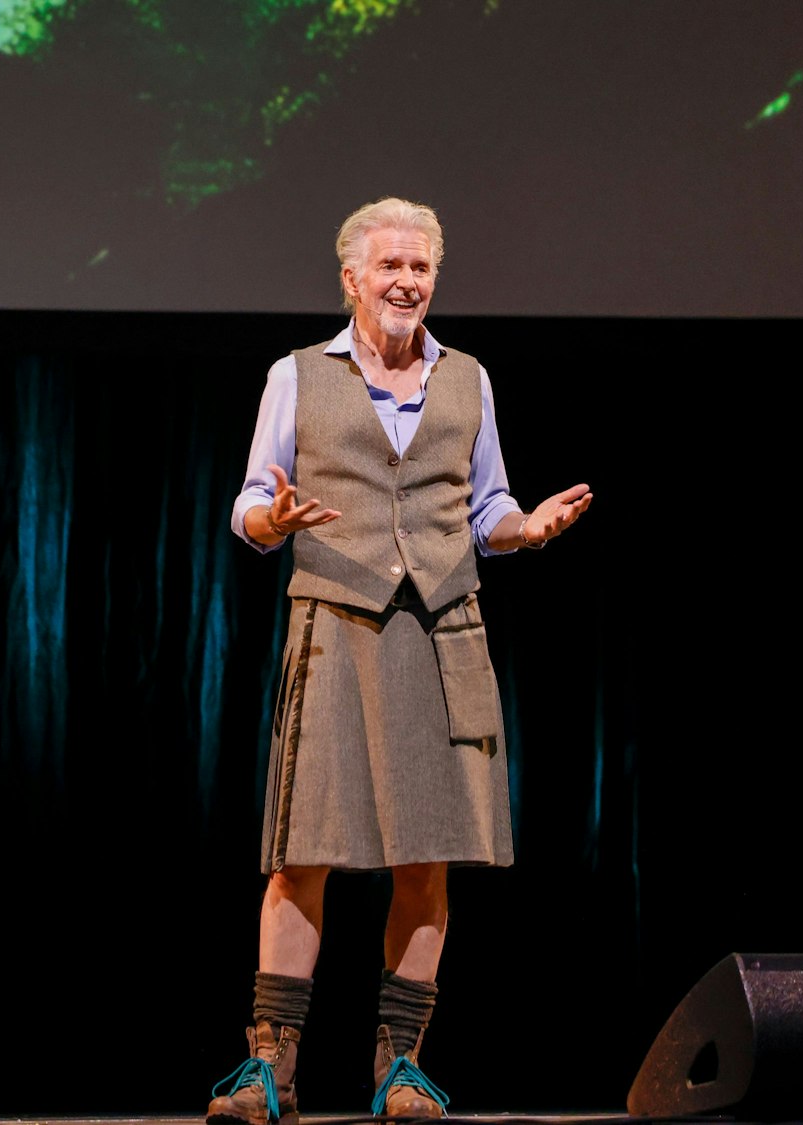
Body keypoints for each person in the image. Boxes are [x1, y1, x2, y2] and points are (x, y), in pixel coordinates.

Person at [206, 197, 593, 1125]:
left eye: (421, 268)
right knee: (304, 855)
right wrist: (275, 520)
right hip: (335, 627)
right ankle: (272, 1067)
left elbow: (487, 505)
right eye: (391, 267)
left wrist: (524, 530)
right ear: (352, 278)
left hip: (441, 630)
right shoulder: (297, 375)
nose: (408, 282)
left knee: (428, 860)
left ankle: (400, 1064)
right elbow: (249, 502)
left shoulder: (469, 379)